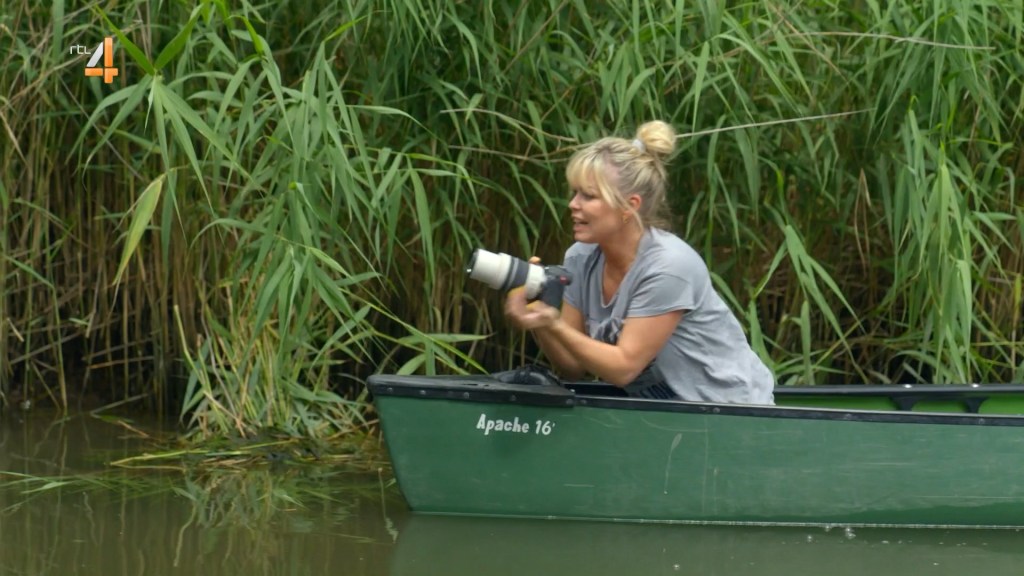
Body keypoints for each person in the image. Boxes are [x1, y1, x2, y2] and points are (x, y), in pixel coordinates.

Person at [503, 120, 775, 405]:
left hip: (731, 410)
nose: (573, 204)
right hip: (664, 413)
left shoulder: (669, 267)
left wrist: (555, 325)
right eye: (574, 193)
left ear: (629, 206)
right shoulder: (579, 258)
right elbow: (573, 366)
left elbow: (624, 368)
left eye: (589, 196)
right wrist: (541, 315)